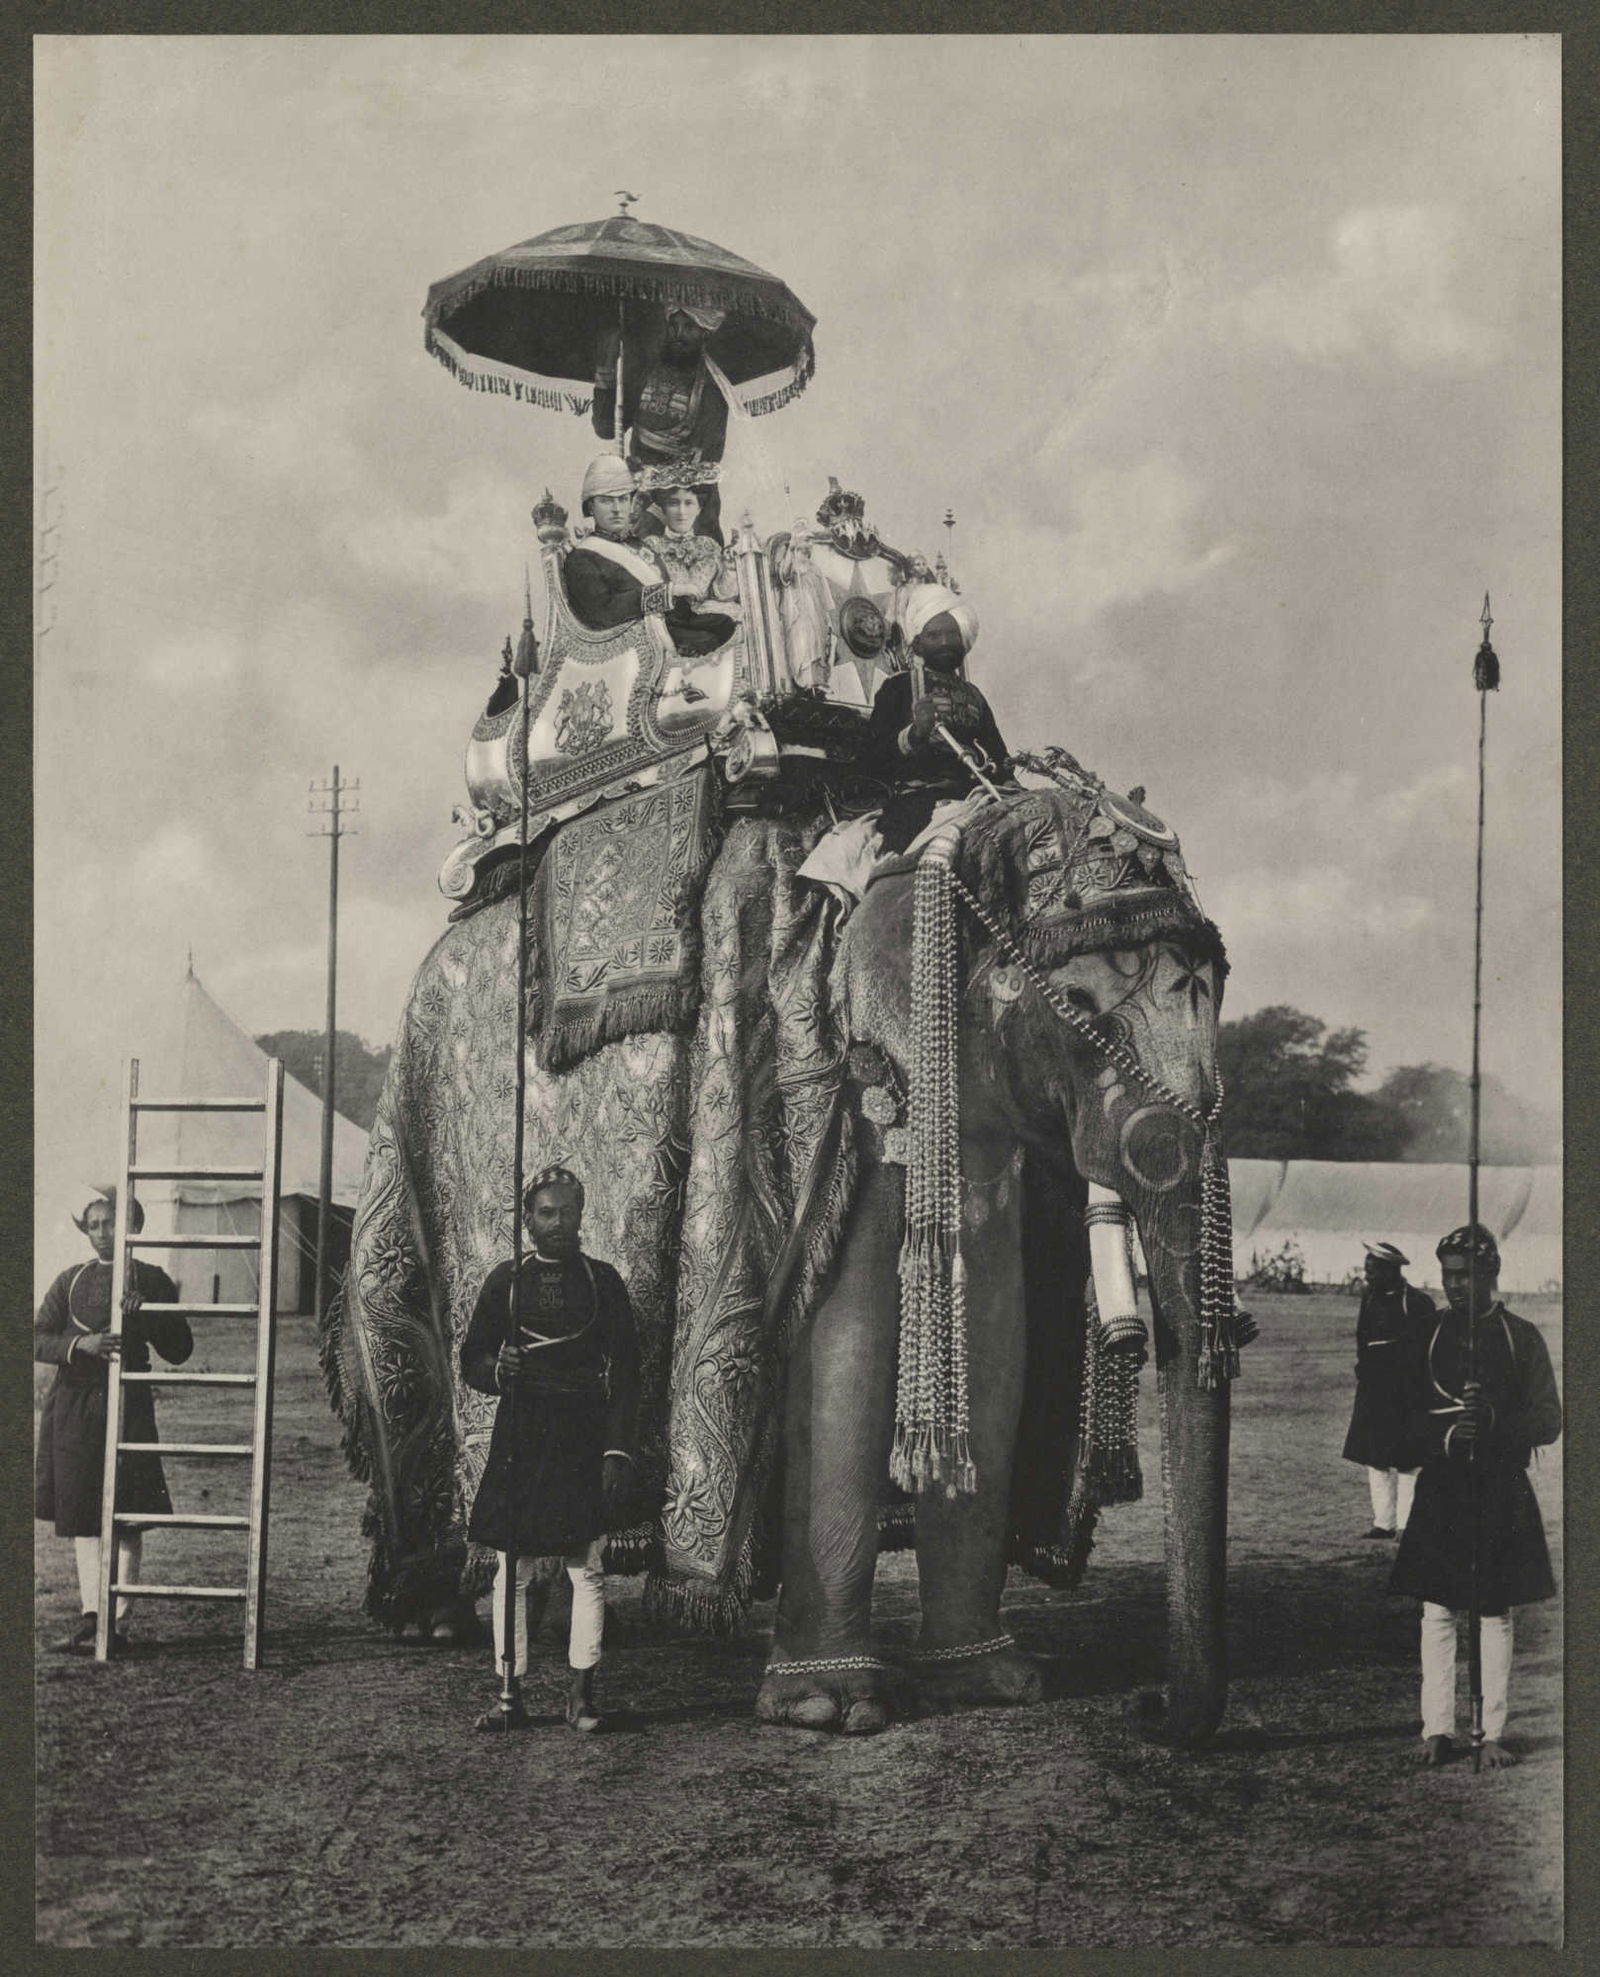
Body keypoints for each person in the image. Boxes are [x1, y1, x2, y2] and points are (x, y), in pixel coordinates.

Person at [460, 1166, 641, 1732]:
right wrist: (498, 1368)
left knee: (586, 1568)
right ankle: (509, 1692)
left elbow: (629, 1373)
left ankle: (582, 1696)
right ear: (528, 1220)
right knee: (511, 1569)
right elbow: (472, 1359)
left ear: (584, 1216)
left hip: (582, 1434)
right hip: (522, 1432)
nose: (559, 1223)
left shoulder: (603, 1282)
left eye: (569, 1212)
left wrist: (617, 1452)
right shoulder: (506, 1281)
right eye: (547, 1213)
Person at [1390, 1224, 1561, 1768]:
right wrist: (1445, 1433)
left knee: (1492, 1611)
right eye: (1447, 1275)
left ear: (1491, 1275)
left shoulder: (1522, 1336)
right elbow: (1399, 1419)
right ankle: (1437, 1729)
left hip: (1499, 1491)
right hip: (1441, 1489)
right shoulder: (1428, 1335)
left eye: (1465, 1276)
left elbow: (1550, 1420)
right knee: (1437, 1610)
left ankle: (1490, 1734)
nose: (1454, 1286)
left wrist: (1493, 1421)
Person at [34, 1188, 192, 1654]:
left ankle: (118, 1625)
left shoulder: (154, 1279)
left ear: (135, 1225)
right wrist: (77, 1346)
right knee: (84, 1513)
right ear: (86, 1229)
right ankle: (90, 1617)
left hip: (129, 1405)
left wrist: (151, 1314)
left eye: (113, 1222)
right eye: (96, 1224)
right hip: (75, 1407)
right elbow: (36, 1336)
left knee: (125, 1514)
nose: (104, 1233)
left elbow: (181, 1351)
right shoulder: (70, 1280)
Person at [857, 584, 1014, 852]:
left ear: (964, 642)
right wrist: (916, 733)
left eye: (952, 635)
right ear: (917, 643)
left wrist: (1009, 780)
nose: (944, 642)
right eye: (934, 635)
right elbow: (872, 760)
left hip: (974, 795)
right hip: (919, 803)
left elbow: (999, 757)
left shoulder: (974, 695)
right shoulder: (897, 688)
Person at [562, 454, 729, 661]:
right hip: (634, 639)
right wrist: (667, 592)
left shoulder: (636, 544)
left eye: (623, 499)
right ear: (590, 508)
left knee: (728, 624)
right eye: (606, 501)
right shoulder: (582, 558)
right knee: (708, 641)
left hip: (667, 621)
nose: (616, 509)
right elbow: (603, 612)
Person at [593, 306, 729, 542]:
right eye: (673, 326)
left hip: (690, 497)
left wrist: (653, 506)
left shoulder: (711, 390)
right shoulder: (645, 373)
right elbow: (605, 428)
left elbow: (703, 462)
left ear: (705, 333)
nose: (678, 334)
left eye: (689, 328)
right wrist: (606, 364)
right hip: (637, 490)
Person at [1341, 1241, 1435, 1538]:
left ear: (1390, 1270)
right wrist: (1365, 1368)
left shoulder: (1418, 1303)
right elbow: (1362, 1338)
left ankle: (1408, 1525)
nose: (1367, 1276)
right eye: (1366, 1269)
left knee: (1409, 1459)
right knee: (1375, 1456)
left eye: (1373, 1270)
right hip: (1374, 1391)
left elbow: (1425, 1350)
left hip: (1407, 1393)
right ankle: (1383, 1523)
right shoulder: (1369, 1298)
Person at [643, 482, 740, 659]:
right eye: (673, 503)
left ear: (699, 508)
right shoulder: (651, 546)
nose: (681, 512)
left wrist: (731, 568)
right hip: (668, 621)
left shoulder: (708, 546)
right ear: (663, 508)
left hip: (703, 616)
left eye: (688, 503)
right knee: (706, 641)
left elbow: (722, 594)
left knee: (733, 626)